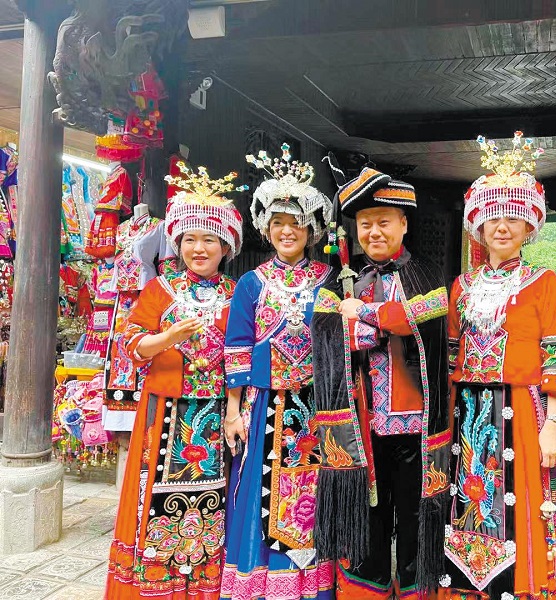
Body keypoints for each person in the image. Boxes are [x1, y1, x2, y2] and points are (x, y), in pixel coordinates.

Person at [437, 132, 556, 599]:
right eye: (493, 216)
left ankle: (524, 584)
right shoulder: (463, 284)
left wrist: (553, 425)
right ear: (477, 225)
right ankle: (471, 585)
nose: (502, 225)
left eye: (514, 217)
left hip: (519, 406)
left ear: (529, 226)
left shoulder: (543, 283)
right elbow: (452, 355)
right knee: (471, 496)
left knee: (520, 502)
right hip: (470, 410)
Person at [106, 163, 244, 599]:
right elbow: (130, 344)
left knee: (215, 504)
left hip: (219, 416)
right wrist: (165, 338)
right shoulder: (160, 290)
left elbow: (243, 355)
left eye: (208, 240)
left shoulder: (239, 292)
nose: (198, 248)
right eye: (189, 239)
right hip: (165, 416)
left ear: (225, 246)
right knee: (155, 505)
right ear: (178, 243)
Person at [311, 167, 450, 599]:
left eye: (384, 222)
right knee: (369, 513)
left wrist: (367, 315)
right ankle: (364, 589)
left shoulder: (427, 275)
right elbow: (325, 334)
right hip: (362, 421)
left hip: (414, 422)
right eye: (365, 223)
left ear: (404, 224)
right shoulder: (338, 282)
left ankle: (414, 588)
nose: (374, 232)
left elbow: (419, 318)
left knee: (413, 512)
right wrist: (372, 327)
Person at [220, 146, 336, 599]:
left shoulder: (329, 278)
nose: (287, 231)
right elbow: (237, 350)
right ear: (267, 230)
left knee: (316, 486)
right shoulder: (251, 283)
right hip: (265, 403)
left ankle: (311, 585)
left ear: (311, 230)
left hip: (316, 406)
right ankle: (262, 584)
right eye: (279, 224)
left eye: (296, 224)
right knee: (258, 492)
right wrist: (234, 411)